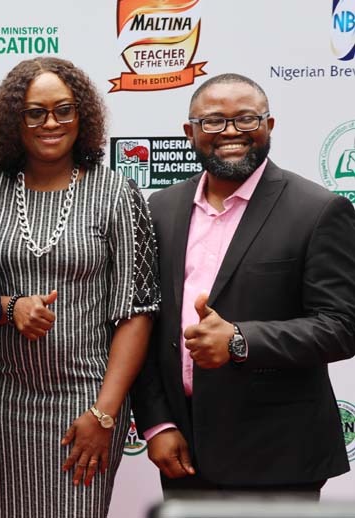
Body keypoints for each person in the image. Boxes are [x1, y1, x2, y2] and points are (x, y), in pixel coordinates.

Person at [131, 73, 355, 498]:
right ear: (190, 132)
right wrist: (157, 422)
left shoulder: (319, 210)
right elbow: (146, 325)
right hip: (184, 451)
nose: (230, 132)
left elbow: (342, 326)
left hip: (279, 454)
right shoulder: (159, 208)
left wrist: (239, 339)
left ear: (269, 126)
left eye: (246, 119)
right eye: (213, 121)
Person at [0, 57, 160, 518]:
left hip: (87, 401)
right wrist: (8, 305)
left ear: (83, 116)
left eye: (64, 110)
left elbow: (136, 313)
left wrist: (105, 414)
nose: (50, 123)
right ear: (14, 120)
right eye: (35, 112)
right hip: (4, 399)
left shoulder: (117, 193)